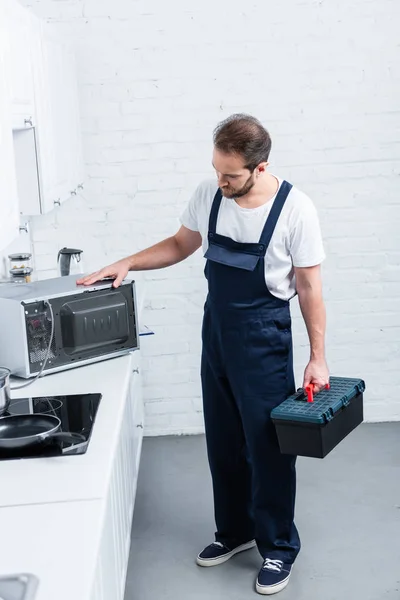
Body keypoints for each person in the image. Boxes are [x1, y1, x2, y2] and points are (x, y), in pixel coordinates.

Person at [78, 114, 329, 595]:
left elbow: (309, 285)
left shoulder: (296, 209)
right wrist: (128, 261)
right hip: (216, 333)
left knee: (268, 449)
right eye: (217, 170)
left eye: (230, 175)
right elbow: (180, 244)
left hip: (263, 339)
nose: (221, 181)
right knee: (223, 441)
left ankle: (278, 548)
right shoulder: (209, 195)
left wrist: (318, 356)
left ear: (259, 168)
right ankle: (234, 534)